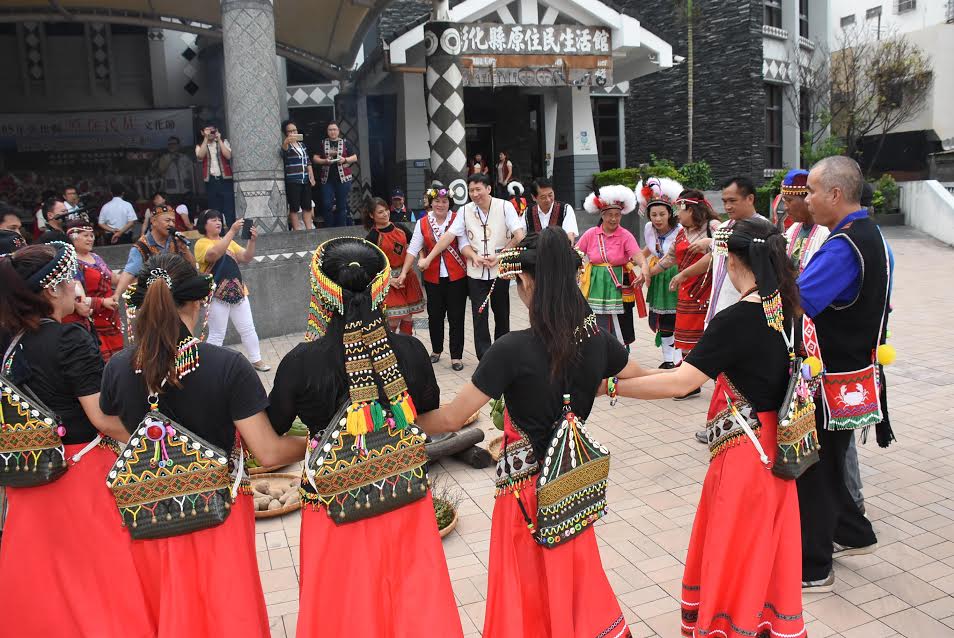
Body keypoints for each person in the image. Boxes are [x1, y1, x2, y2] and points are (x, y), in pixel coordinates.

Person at [417, 228, 644, 638]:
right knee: (572, 571)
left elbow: (452, 419)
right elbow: (634, 375)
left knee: (527, 580)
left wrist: (405, 420)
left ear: (529, 281)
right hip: (570, 481)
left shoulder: (512, 349)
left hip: (525, 494)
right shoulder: (596, 338)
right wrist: (600, 383)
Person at [613, 219, 806, 638]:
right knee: (766, 551)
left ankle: (730, 626)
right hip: (780, 448)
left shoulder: (736, 319)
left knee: (734, 549)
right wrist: (634, 376)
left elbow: (682, 381)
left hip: (744, 456)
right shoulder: (789, 308)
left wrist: (612, 386)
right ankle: (763, 623)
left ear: (733, 260)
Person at [100, 253, 304, 637]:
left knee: (166, 605)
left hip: (148, 514)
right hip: (218, 510)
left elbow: (111, 424)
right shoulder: (226, 366)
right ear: (199, 302)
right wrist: (311, 441)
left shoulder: (117, 368)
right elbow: (270, 452)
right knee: (226, 606)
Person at [268, 237, 462, 638]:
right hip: (402, 498)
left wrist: (315, 441)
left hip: (333, 506)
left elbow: (275, 428)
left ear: (323, 291)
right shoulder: (409, 352)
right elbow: (424, 415)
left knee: (343, 608)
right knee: (411, 602)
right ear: (380, 288)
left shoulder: (299, 364)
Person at [0, 242, 152, 638]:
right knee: (101, 576)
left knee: (47, 579)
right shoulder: (69, 340)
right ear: (52, 290)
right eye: (71, 280)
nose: (77, 288)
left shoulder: (10, 343)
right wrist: (154, 435)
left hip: (31, 473)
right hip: (79, 473)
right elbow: (102, 417)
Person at [796, 156, 886, 592]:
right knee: (831, 459)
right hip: (856, 375)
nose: (806, 199)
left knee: (815, 468)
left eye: (811, 190)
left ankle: (813, 566)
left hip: (829, 379)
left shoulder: (842, 246)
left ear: (834, 193)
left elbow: (799, 303)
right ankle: (853, 532)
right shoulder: (871, 234)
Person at [418, 173, 526, 360]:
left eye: (478, 189)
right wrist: (472, 256)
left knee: (501, 313)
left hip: (500, 270)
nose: (475, 194)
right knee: (479, 315)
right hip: (475, 271)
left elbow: (519, 235)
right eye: (471, 191)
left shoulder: (504, 206)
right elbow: (455, 240)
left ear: (488, 189)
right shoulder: (465, 211)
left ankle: (503, 355)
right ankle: (484, 357)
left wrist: (501, 256)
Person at [398, 183, 467, 371]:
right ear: (431, 202)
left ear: (449, 203)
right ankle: (436, 350)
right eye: (437, 201)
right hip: (432, 277)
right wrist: (404, 272)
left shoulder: (458, 219)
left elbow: (464, 245)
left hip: (457, 276)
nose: (440, 205)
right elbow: (413, 248)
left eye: (444, 201)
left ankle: (456, 356)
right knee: (435, 316)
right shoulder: (423, 223)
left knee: (456, 316)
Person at [653, 191, 722, 375]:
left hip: (709, 291)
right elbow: (670, 259)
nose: (677, 215)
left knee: (712, 335)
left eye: (679, 210)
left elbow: (727, 245)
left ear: (690, 210)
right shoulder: (682, 232)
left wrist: (709, 242)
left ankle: (717, 377)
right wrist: (648, 273)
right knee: (685, 336)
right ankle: (689, 380)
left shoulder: (713, 227)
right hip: (687, 291)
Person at [194, 209, 270, 372]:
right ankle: (209, 367)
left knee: (248, 328)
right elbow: (214, 254)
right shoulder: (201, 243)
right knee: (217, 334)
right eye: (213, 220)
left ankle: (256, 360)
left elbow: (246, 258)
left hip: (239, 292)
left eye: (219, 219)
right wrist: (233, 231)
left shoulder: (228, 241)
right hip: (215, 295)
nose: (218, 222)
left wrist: (252, 241)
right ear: (204, 225)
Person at [576, 184, 649, 345]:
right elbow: (575, 255)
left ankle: (621, 355)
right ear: (602, 215)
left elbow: (638, 256)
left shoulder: (625, 235)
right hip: (596, 284)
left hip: (620, 284)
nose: (614, 219)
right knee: (597, 320)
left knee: (621, 322)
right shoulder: (590, 234)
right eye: (609, 215)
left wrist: (644, 268)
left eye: (617, 214)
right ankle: (600, 352)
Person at [637, 178, 683, 368]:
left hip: (676, 274)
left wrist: (647, 272)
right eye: (653, 214)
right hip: (658, 276)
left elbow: (672, 256)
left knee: (677, 318)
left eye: (661, 214)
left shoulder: (680, 230)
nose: (657, 219)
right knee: (662, 319)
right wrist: (638, 259)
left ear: (670, 213)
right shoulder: (649, 229)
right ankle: (667, 359)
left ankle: (678, 359)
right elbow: (650, 249)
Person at [363, 197, 425, 334]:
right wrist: (388, 281)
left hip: (407, 278)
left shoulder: (400, 228)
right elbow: (368, 266)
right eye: (380, 212)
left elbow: (416, 243)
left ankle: (407, 348)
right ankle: (392, 349)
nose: (385, 214)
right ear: (372, 215)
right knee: (393, 319)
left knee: (408, 317)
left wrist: (422, 257)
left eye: (386, 210)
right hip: (389, 282)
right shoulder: (372, 237)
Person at [66, 219, 124, 361]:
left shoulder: (96, 257)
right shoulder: (72, 262)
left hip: (110, 317)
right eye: (85, 235)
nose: (90, 239)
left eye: (91, 235)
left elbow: (113, 278)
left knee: (118, 359)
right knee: (101, 361)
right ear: (73, 237)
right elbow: (76, 298)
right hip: (91, 318)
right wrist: (102, 302)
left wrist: (132, 276)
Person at [115, 204, 195, 301]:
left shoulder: (175, 241)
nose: (171, 224)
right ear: (153, 221)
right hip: (152, 299)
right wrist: (117, 295)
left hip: (176, 296)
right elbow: (129, 273)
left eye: (173, 221)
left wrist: (184, 249)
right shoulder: (141, 246)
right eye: (167, 220)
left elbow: (192, 268)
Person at [781, 169, 829, 273]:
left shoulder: (826, 233)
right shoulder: (792, 230)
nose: (785, 207)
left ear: (807, 199)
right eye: (784, 201)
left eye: (789, 200)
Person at [313, 121, 358, 227]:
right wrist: (325, 161)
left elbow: (355, 157)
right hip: (327, 179)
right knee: (327, 204)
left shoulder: (345, 142)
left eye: (334, 129)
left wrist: (345, 159)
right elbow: (315, 158)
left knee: (341, 205)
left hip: (343, 179)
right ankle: (329, 229)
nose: (332, 132)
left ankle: (341, 229)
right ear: (327, 131)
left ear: (338, 131)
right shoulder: (323, 143)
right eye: (330, 129)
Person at [195, 122, 235, 226]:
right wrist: (205, 139)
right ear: (202, 132)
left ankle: (232, 229)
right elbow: (200, 156)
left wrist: (219, 139)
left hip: (225, 179)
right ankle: (219, 232)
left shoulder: (223, 142)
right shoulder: (200, 146)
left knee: (229, 206)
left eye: (212, 130)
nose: (211, 133)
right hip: (211, 181)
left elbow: (228, 156)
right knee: (215, 208)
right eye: (208, 131)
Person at [281, 119, 316, 231]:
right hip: (293, 180)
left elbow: (308, 161)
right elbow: (284, 152)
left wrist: (311, 175)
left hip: (305, 179)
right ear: (286, 133)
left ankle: (309, 229)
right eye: (290, 131)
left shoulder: (302, 145)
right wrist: (286, 142)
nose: (292, 133)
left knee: (307, 206)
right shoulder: (287, 145)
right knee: (294, 207)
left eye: (294, 130)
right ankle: (297, 230)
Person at [525, 177, 579, 243]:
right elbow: (522, 236)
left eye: (550, 195)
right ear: (534, 197)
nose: (548, 200)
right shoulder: (527, 212)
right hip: (534, 252)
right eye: (543, 197)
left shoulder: (565, 209)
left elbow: (570, 236)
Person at [153, 135, 196, 200]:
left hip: (186, 190)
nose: (171, 146)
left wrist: (194, 189)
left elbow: (192, 174)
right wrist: (170, 159)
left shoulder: (185, 158)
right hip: (171, 191)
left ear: (178, 145)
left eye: (174, 144)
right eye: (169, 144)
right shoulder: (164, 158)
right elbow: (160, 171)